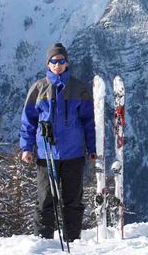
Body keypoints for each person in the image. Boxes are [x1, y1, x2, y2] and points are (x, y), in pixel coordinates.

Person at [20, 42, 96, 241]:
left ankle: (73, 240)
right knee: (45, 200)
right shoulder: (38, 88)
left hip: (74, 155)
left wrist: (92, 148)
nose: (58, 64)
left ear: (67, 63)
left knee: (73, 201)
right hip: (46, 155)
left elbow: (89, 122)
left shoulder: (79, 88)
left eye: (61, 61)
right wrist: (26, 148)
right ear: (48, 63)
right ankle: (43, 243)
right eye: (54, 61)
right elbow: (28, 121)